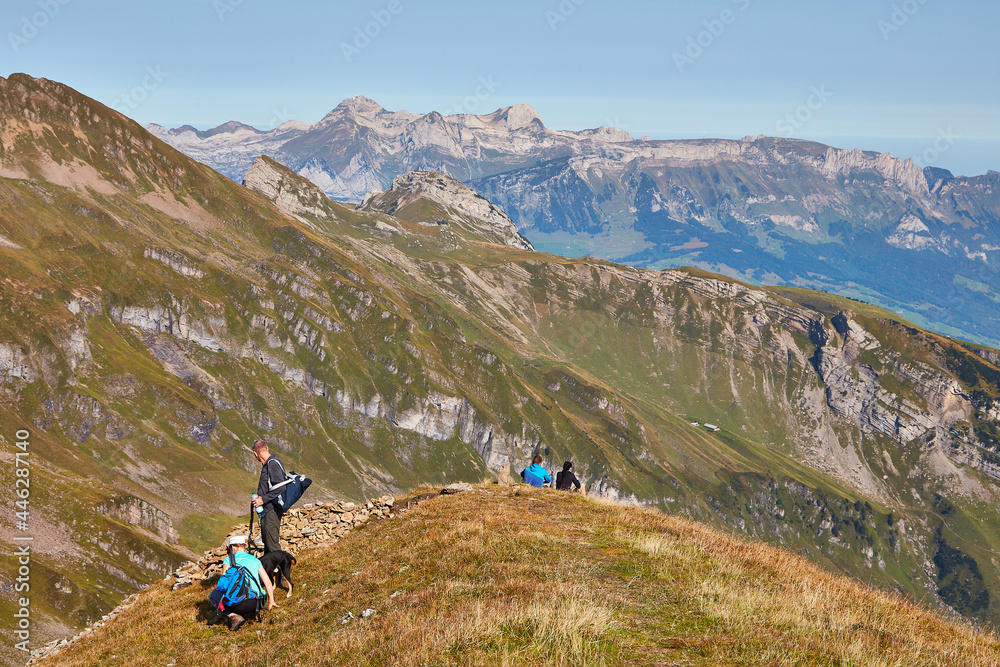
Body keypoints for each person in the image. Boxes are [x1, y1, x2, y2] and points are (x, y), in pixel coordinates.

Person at [210, 535, 277, 631]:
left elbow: (223, 586)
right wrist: (271, 601)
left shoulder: (229, 560)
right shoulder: (255, 559)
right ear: (244, 546)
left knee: (213, 595)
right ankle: (251, 613)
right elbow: (267, 582)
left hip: (241, 605)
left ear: (232, 547)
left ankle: (232, 615)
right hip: (259, 601)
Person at [251, 439, 286, 554]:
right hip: (267, 510)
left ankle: (282, 570)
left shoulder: (272, 464)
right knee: (268, 542)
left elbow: (281, 487)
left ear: (256, 454)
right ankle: (269, 571)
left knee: (272, 544)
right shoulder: (269, 464)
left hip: (271, 509)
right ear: (267, 448)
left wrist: (263, 499)